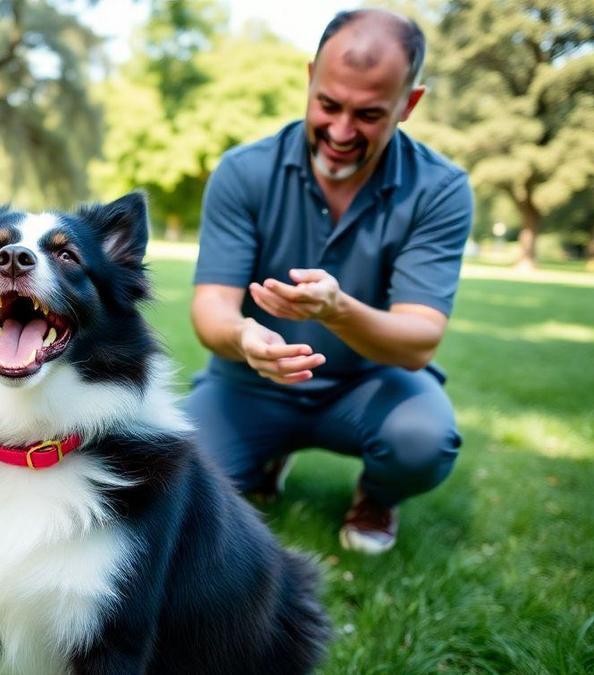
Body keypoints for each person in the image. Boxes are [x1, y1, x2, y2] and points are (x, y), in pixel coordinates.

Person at [186, 9, 472, 555]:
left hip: (369, 386)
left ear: (409, 105)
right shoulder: (243, 172)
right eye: (328, 104)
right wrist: (246, 338)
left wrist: (337, 308)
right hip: (252, 383)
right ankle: (267, 454)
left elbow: (418, 343)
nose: (341, 132)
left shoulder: (440, 189)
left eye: (368, 114)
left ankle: (376, 494)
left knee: (424, 443)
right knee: (180, 472)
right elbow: (211, 312)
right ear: (311, 76)